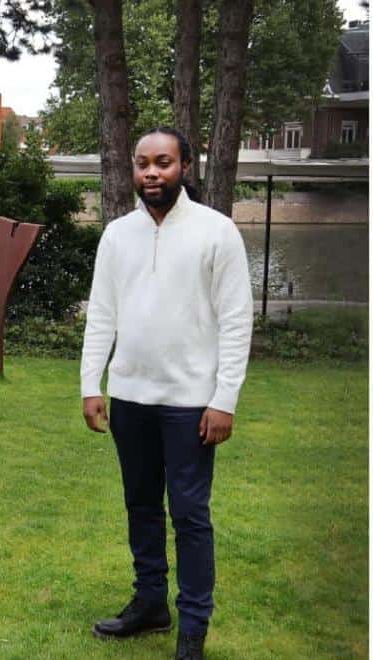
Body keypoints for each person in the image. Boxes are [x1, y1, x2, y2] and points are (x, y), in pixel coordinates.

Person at [80, 127, 253, 660]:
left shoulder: (217, 232)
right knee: (141, 507)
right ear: (133, 170)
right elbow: (102, 313)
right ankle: (151, 604)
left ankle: (193, 627)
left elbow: (236, 320)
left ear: (185, 168)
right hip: (130, 398)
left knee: (190, 513)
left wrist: (224, 398)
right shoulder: (117, 235)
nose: (151, 173)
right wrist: (92, 384)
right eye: (143, 164)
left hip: (191, 405)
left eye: (163, 163)